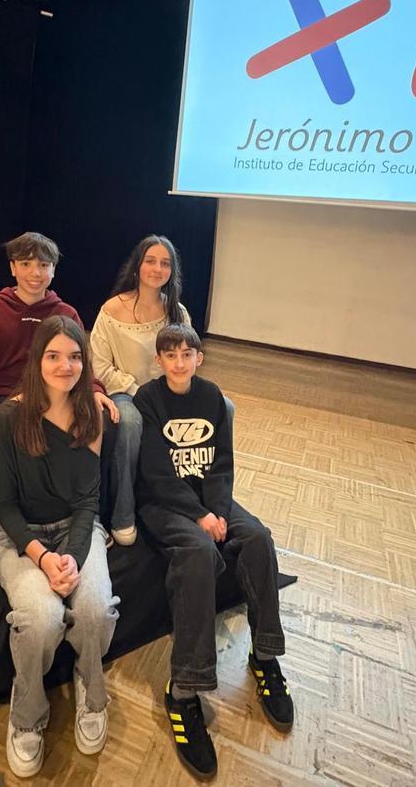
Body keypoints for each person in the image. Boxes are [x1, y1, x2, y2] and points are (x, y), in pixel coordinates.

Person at [134, 323, 292, 779]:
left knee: (258, 537)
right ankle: (183, 689)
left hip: (209, 502)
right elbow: (156, 472)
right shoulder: (147, 400)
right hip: (165, 504)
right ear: (160, 361)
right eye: (171, 355)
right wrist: (200, 516)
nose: (180, 362)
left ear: (199, 358)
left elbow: (222, 463)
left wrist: (218, 509)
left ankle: (264, 655)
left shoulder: (213, 397)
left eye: (188, 354)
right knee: (200, 552)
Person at [0, 315, 119, 778]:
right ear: (37, 359)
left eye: (76, 356)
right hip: (20, 536)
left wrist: (72, 556)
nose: (66, 366)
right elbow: (4, 506)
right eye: (54, 356)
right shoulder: (8, 418)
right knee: (40, 619)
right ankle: (27, 715)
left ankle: (89, 681)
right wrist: (42, 558)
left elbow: (88, 501)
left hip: (75, 531)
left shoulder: (91, 413)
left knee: (96, 610)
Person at [0, 232, 116, 583]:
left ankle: (93, 521)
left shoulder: (64, 312)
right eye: (26, 264)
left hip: (55, 398)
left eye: (44, 264)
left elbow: (80, 362)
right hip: (3, 399)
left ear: (54, 270)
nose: (35, 272)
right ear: (12, 268)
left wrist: (95, 390)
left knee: (105, 420)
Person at [90, 235, 194, 548]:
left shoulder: (178, 312)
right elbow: (99, 367)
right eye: (151, 260)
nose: (157, 268)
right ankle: (123, 514)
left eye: (165, 263)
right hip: (126, 392)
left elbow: (186, 359)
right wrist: (139, 392)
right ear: (138, 265)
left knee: (221, 407)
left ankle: (194, 501)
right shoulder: (111, 309)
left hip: (169, 392)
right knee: (132, 422)